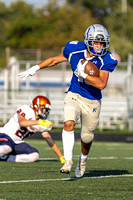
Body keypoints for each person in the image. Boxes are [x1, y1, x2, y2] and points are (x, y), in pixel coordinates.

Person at [18, 24, 118, 177]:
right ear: (88, 41)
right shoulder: (74, 49)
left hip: (92, 100)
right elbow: (54, 60)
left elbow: (101, 84)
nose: (99, 46)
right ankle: (68, 160)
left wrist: (84, 75)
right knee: (68, 123)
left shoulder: (107, 59)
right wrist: (35, 68)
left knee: (86, 136)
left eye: (102, 43)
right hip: (74, 94)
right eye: (96, 42)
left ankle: (82, 160)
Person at [0, 95, 65, 163]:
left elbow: (48, 138)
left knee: (34, 155)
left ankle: (6, 158)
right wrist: (38, 122)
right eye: (43, 108)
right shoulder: (27, 109)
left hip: (17, 142)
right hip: (5, 135)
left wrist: (60, 156)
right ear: (36, 106)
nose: (45, 111)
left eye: (46, 110)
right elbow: (22, 122)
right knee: (7, 148)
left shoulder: (42, 121)